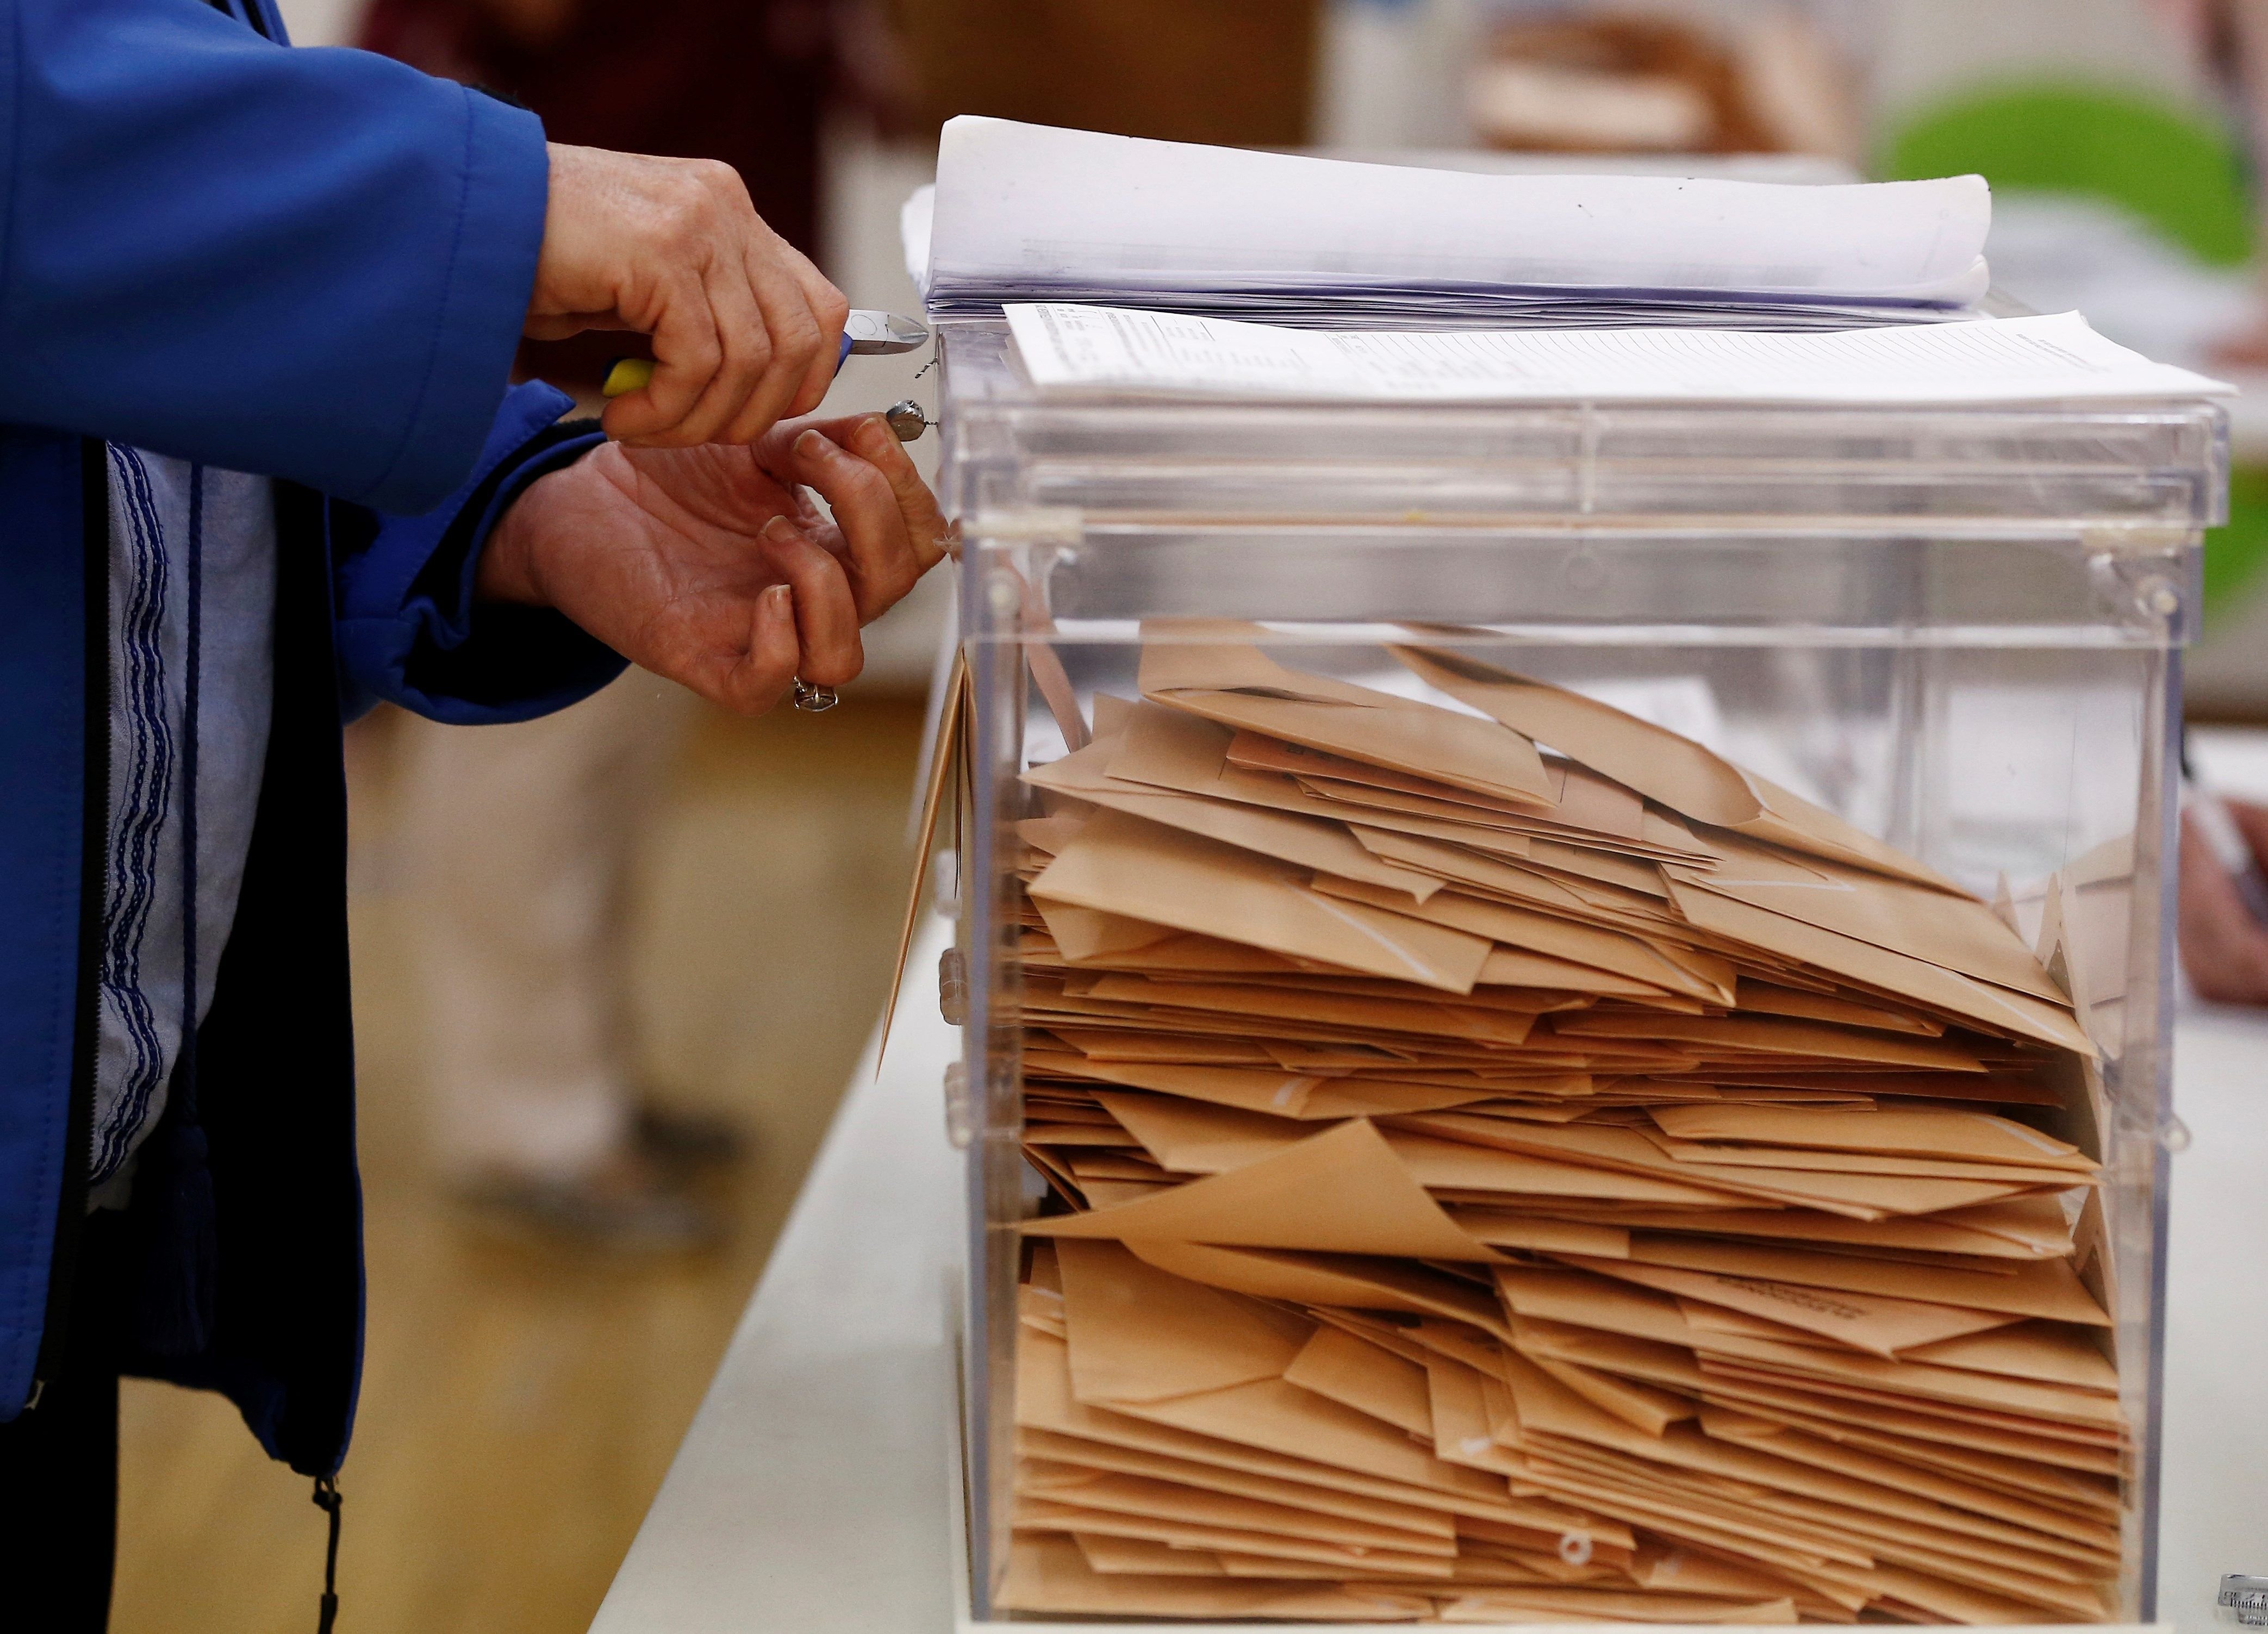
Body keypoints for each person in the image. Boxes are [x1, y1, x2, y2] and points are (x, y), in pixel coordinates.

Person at [0, 0, 949, 1622]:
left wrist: (521, 503)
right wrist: (482, 213)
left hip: (62, 1226)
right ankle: (538, 1118)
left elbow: (138, 410)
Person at [359, 0, 892, 1242]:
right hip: (547, 376)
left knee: (604, 770)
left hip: (664, 382)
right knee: (523, 785)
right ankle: (527, 1126)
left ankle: (583, 1082)